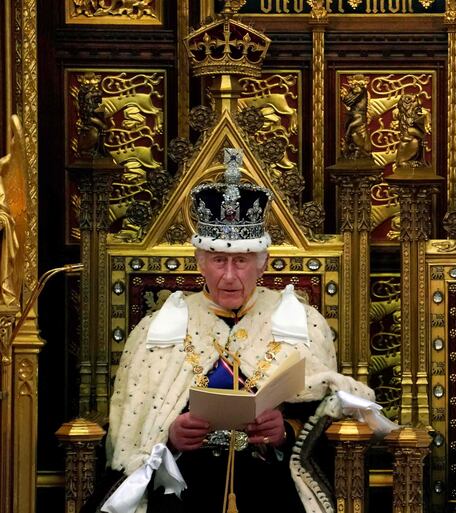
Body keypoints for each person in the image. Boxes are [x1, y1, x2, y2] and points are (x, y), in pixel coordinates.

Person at [94, 149, 375, 513]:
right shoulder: (159, 327)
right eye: (218, 260)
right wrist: (171, 437)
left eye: (241, 261)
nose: (229, 275)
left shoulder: (301, 322)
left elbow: (328, 409)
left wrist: (286, 431)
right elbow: (136, 425)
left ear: (262, 263)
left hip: (269, 480)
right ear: (200, 262)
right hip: (184, 480)